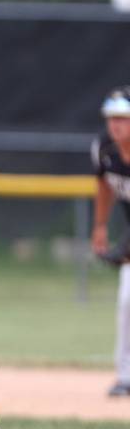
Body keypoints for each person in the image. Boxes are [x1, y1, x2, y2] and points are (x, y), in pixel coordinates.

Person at [91, 86, 130, 397]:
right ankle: (125, 376)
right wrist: (101, 225)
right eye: (112, 118)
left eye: (123, 118)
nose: (116, 124)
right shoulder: (104, 149)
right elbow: (104, 185)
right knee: (127, 301)